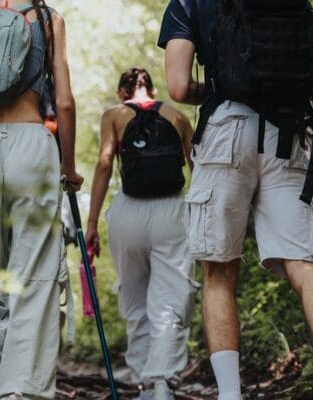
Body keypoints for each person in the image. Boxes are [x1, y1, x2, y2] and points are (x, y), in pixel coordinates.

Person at [157, 1, 313, 399]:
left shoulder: (187, 3)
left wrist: (224, 86)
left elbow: (178, 88)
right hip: (290, 132)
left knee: (219, 271)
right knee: (304, 261)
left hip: (226, 129)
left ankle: (231, 394)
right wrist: (284, 89)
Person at [0, 0, 82, 399]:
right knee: (34, 275)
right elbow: (64, 103)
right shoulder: (48, 18)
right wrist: (68, 166)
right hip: (32, 144)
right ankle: (19, 390)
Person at [85, 68, 198, 400]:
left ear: (122, 92)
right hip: (172, 212)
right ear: (152, 90)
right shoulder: (177, 116)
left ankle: (145, 384)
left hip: (128, 213)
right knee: (171, 298)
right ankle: (162, 381)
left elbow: (105, 163)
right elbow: (198, 165)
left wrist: (92, 223)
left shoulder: (114, 115)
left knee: (134, 299)